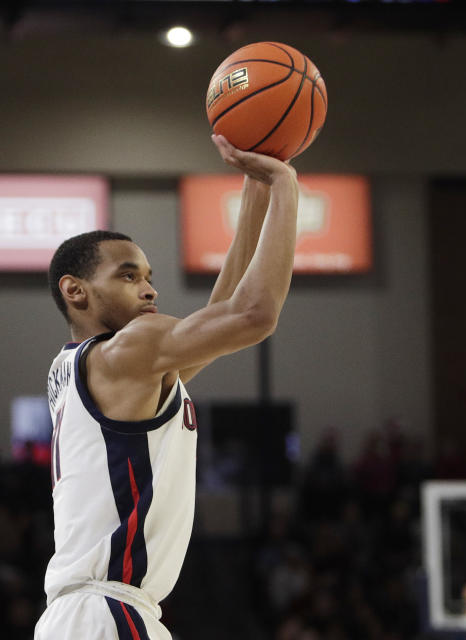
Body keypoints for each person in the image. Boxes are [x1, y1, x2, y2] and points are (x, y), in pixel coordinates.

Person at [33, 134, 300, 640]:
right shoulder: (128, 350)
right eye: (129, 276)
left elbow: (220, 317)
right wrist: (286, 186)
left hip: (89, 614)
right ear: (75, 290)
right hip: (105, 612)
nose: (150, 289)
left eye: (149, 276)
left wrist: (255, 187)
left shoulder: (93, 368)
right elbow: (252, 315)